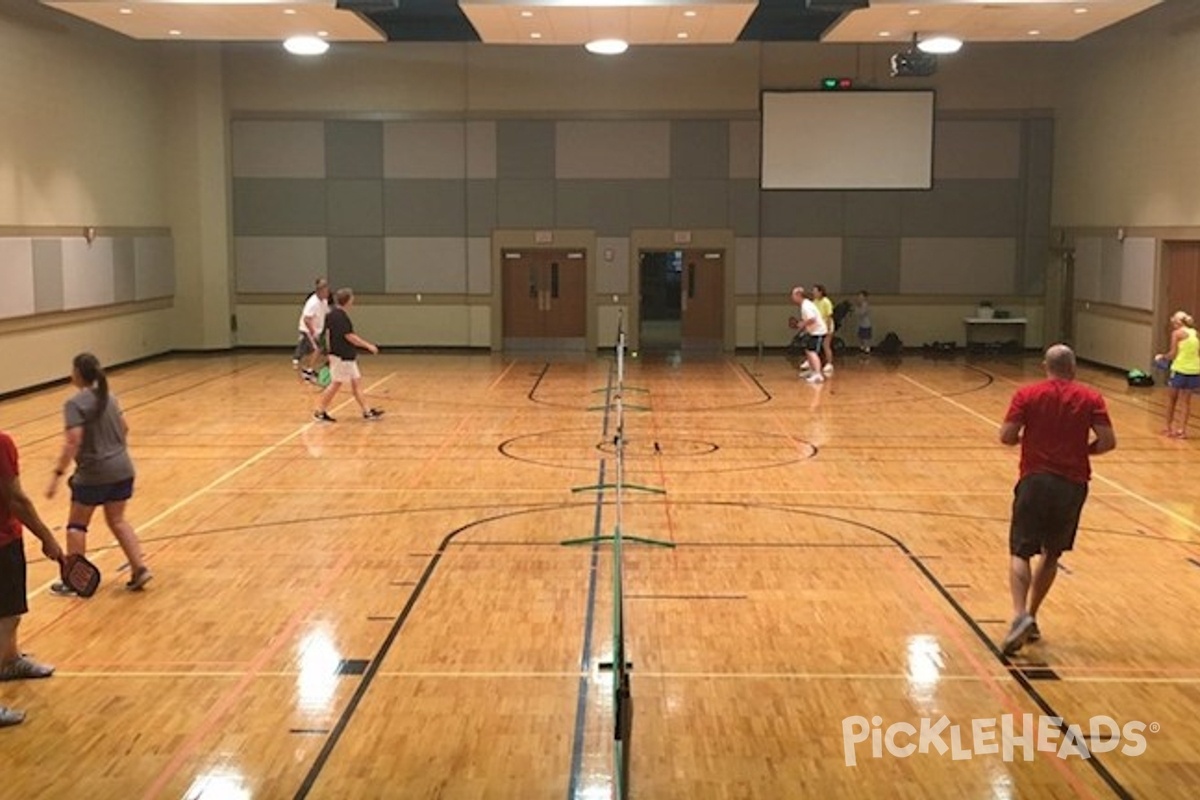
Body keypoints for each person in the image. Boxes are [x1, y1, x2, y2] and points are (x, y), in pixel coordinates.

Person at [997, 344, 1116, 656]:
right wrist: (1082, 450)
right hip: (1073, 484)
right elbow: (1107, 442)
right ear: (1073, 368)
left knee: (1020, 551)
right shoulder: (1091, 398)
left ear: (1044, 366)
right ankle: (1033, 617)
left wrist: (1029, 440)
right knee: (1051, 554)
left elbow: (1006, 436)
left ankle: (1020, 614)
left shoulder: (1027, 395)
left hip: (1035, 480)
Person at [46, 353, 153, 596]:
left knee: (76, 526)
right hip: (123, 469)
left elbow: (73, 441)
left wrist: (57, 474)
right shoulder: (111, 397)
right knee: (117, 520)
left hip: (94, 473)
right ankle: (139, 568)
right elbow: (125, 428)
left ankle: (74, 581)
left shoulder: (74, 404)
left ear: (79, 374)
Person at [1, 428, 65, 725]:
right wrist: (47, 537)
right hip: (1, 542)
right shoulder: (1, 443)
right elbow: (16, 499)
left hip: (6, 540)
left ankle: (10, 661)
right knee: (4, 619)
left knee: (10, 613)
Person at [313, 288, 385, 422]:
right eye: (352, 299)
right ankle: (319, 411)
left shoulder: (331, 314)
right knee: (336, 384)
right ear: (347, 301)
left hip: (344, 356)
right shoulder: (340, 317)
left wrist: (328, 352)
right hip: (342, 356)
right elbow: (350, 336)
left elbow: (327, 335)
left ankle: (367, 411)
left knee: (356, 383)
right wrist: (368, 345)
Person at [1154, 310, 1199, 438]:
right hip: (1194, 369)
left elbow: (1173, 353)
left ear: (1177, 322)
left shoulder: (1177, 334)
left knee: (1172, 399)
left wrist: (1161, 357)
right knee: (1186, 402)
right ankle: (1182, 430)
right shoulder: (1195, 333)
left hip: (1180, 369)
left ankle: (1168, 428)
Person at [293, 277, 331, 384]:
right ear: (320, 291)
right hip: (308, 330)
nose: (327, 293)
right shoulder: (312, 303)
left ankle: (308, 368)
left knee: (319, 349)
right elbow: (306, 319)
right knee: (316, 349)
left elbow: (326, 313)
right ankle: (308, 372)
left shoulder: (324, 301)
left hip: (318, 330)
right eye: (325, 291)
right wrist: (313, 332)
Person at [790, 286, 827, 384]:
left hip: (818, 332)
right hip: (813, 331)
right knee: (808, 350)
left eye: (793, 295)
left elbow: (812, 319)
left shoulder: (806, 306)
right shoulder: (805, 305)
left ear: (798, 295)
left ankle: (818, 375)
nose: (792, 297)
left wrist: (802, 324)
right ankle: (812, 371)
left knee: (813, 352)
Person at [813, 284, 835, 375]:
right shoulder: (814, 302)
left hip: (827, 326)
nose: (813, 293)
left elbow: (829, 316)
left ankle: (829, 364)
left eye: (815, 291)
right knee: (815, 346)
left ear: (820, 292)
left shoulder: (826, 302)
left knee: (826, 345)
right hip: (818, 327)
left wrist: (829, 328)